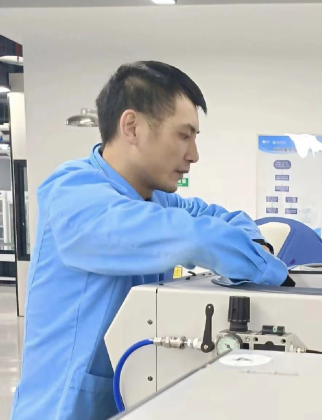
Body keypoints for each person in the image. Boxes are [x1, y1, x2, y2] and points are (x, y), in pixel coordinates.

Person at [11, 61, 292, 420]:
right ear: (132, 126)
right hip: (60, 410)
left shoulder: (155, 200)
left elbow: (226, 218)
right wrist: (276, 275)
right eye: (184, 135)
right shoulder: (73, 195)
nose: (194, 155)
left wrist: (257, 244)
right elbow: (195, 237)